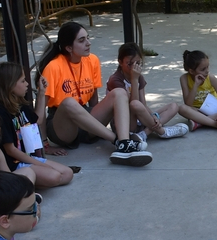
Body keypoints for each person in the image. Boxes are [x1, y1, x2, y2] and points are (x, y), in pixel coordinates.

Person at [36, 22, 152, 167]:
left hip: (84, 115)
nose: (88, 43)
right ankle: (119, 142)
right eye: (81, 40)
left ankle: (123, 141)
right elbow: (40, 109)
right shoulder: (53, 67)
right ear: (68, 48)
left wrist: (97, 125)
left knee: (119, 93)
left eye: (88, 38)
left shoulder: (92, 60)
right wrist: (45, 144)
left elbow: (93, 98)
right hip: (62, 124)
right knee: (69, 102)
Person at [0, 61, 76, 188]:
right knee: (55, 176)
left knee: (67, 174)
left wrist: (41, 93)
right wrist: (41, 165)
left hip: (27, 158)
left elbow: (37, 120)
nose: (27, 84)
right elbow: (10, 150)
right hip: (13, 164)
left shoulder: (18, 102)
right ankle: (19, 182)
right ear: (9, 85)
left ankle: (30, 180)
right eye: (22, 81)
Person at [106, 42, 189, 140]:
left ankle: (144, 134)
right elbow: (133, 104)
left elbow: (143, 104)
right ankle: (163, 132)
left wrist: (153, 116)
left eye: (137, 63)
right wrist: (134, 80)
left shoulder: (139, 77)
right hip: (125, 124)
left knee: (174, 106)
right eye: (129, 64)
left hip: (140, 120)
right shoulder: (116, 80)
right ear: (120, 62)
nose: (134, 67)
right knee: (135, 105)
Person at [178, 49, 217, 132]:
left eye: (208, 66)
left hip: (215, 111)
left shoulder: (210, 78)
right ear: (191, 71)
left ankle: (199, 123)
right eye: (203, 69)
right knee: (182, 108)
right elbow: (188, 104)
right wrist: (196, 85)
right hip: (197, 111)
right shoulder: (184, 79)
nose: (207, 71)